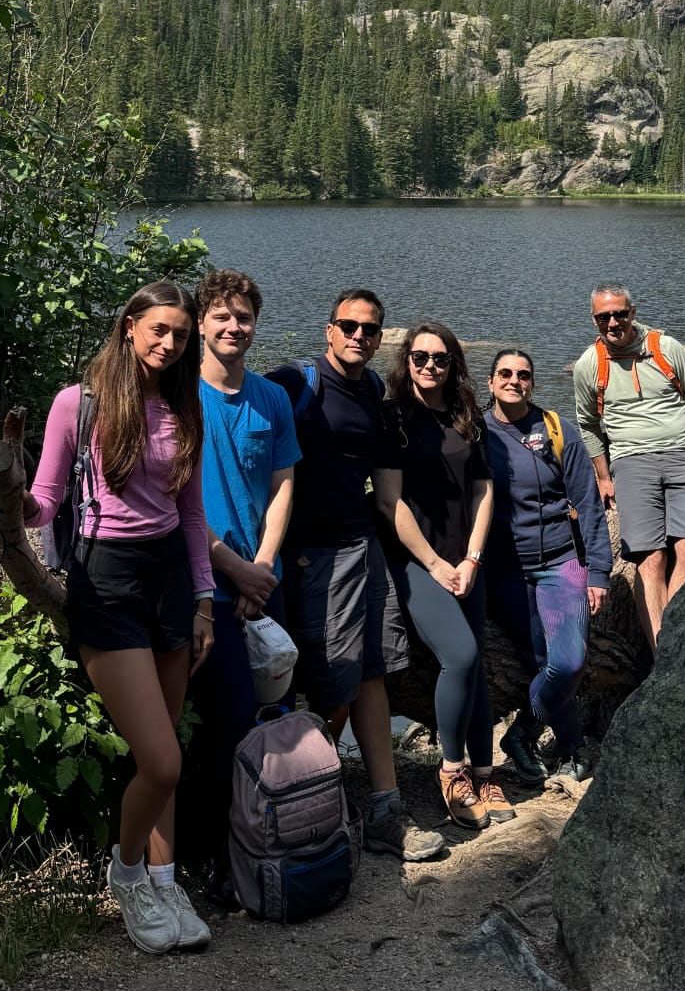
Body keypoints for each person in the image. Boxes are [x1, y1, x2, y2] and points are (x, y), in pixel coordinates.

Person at [23, 280, 213, 956]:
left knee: (168, 755)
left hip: (168, 581)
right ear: (129, 325)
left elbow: (192, 515)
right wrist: (13, 504)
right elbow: (45, 498)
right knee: (160, 761)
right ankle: (127, 875)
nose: (170, 343)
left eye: (181, 334)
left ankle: (164, 879)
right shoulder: (78, 403)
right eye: (159, 329)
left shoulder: (185, 406)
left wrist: (203, 599)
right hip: (105, 581)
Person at [267, 289, 443, 863]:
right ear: (329, 330)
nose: (359, 336)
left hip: (362, 546)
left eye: (370, 329)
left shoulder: (373, 393)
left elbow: (388, 489)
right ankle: (308, 802)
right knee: (331, 684)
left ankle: (386, 808)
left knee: (372, 672)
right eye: (348, 326)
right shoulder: (294, 384)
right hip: (312, 554)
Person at [373, 323, 515, 831]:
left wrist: (472, 558)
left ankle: (485, 772)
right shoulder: (393, 417)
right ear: (406, 361)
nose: (430, 366)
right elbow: (389, 501)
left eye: (440, 358)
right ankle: (452, 771)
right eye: (420, 357)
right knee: (461, 656)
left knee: (475, 668)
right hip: (415, 561)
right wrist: (435, 564)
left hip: (465, 562)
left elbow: (483, 491)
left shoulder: (466, 416)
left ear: (453, 363)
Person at [191, 269, 300, 888]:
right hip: (206, 585)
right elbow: (175, 499)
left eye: (244, 317)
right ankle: (219, 856)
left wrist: (262, 565)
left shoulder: (272, 398)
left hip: (265, 581)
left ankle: (273, 843)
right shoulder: (179, 396)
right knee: (226, 721)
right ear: (201, 323)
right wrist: (233, 569)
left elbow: (283, 486)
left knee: (274, 721)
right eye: (222, 317)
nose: (234, 327)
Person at [483, 348, 611, 787]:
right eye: (505, 373)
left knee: (568, 662)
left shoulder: (556, 430)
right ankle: (574, 749)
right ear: (490, 382)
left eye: (523, 375)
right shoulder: (475, 433)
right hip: (505, 571)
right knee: (542, 660)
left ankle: (522, 732)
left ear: (532, 383)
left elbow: (588, 505)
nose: (514, 381)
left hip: (560, 563)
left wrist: (598, 572)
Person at [573, 282, 685, 651]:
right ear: (594, 320)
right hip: (631, 461)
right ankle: (663, 657)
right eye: (603, 317)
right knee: (650, 559)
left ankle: (671, 638)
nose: (613, 323)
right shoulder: (589, 364)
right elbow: (587, 424)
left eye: (620, 314)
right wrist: (603, 476)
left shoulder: (665, 348)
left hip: (682, 454)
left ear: (633, 313)